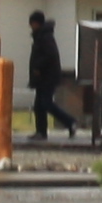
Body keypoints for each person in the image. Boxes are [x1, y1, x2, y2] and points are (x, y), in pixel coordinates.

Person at [27, 10, 70, 140]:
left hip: (47, 77)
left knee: (46, 104)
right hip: (42, 78)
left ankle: (70, 122)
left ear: (36, 23)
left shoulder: (45, 37)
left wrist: (38, 66)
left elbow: (50, 55)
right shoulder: (41, 36)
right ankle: (41, 131)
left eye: (32, 23)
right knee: (39, 106)